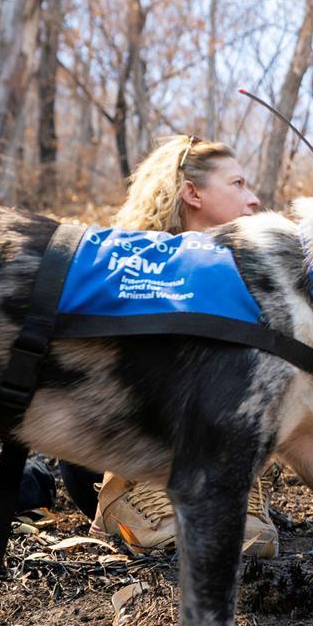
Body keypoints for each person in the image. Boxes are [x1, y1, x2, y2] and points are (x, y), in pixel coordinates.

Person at [59, 134, 278, 558]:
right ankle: (129, 496)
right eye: (237, 184)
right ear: (192, 192)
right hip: (109, 459)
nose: (253, 200)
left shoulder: (251, 277)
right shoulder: (126, 263)